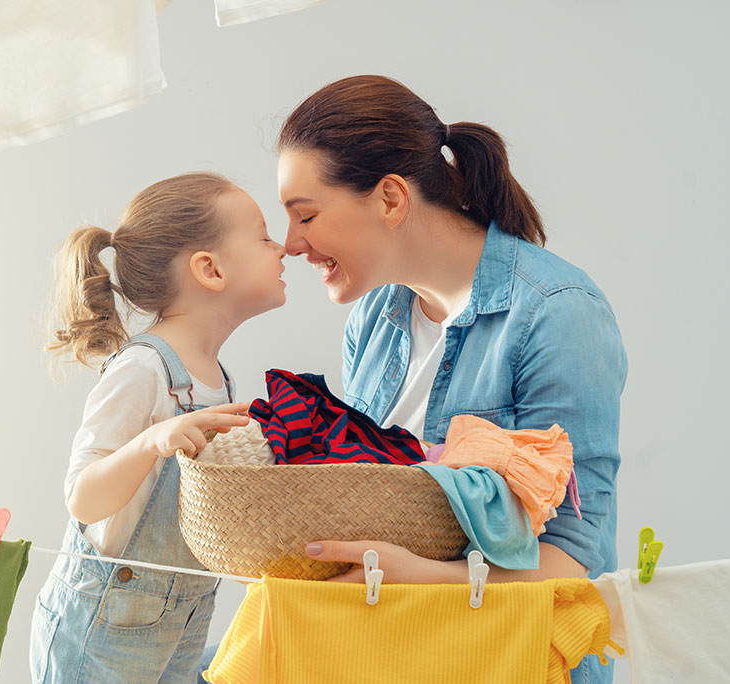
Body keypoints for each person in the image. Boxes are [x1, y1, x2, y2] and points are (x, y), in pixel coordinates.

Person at [198, 74, 627, 684]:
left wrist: (424, 577)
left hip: (512, 662)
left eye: (307, 215)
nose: (291, 244)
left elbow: (576, 562)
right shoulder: (375, 317)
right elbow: (368, 495)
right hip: (392, 652)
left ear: (392, 198)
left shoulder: (558, 313)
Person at [31, 171, 288, 684]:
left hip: (183, 619)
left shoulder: (217, 377)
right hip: (105, 628)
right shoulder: (143, 369)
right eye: (263, 236)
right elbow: (83, 497)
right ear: (210, 269)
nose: (282, 248)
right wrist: (151, 442)